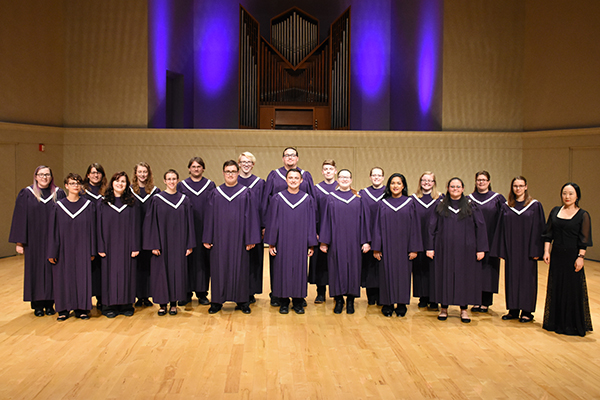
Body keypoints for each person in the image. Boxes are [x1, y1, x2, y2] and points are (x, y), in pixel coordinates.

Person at [202, 161, 261, 314]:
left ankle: (242, 301)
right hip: (219, 238)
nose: (230, 174)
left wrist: (251, 239)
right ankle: (217, 301)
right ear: (223, 173)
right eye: (227, 171)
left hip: (240, 239)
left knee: (241, 268)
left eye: (233, 171)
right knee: (218, 269)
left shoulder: (246, 192)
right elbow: (209, 217)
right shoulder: (215, 193)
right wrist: (207, 237)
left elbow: (252, 217)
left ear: (237, 173)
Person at [426, 177, 488, 323]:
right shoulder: (440, 205)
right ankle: (444, 308)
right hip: (443, 249)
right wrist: (430, 247)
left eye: (458, 186)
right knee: (444, 276)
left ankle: (464, 310)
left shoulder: (471, 206)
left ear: (463, 189)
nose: (455, 189)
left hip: (466, 250)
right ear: (447, 188)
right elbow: (431, 227)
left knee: (464, 278)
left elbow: (481, 227)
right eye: (452, 186)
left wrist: (481, 249)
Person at [9, 166, 65, 317]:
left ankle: (51, 303)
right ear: (35, 176)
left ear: (51, 177)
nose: (44, 177)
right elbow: (20, 218)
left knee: (53, 270)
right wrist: (19, 242)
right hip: (33, 241)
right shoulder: (26, 193)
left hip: (53, 239)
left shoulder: (58, 193)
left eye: (47, 174)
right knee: (35, 271)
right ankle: (38, 305)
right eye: (41, 175)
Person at [263, 147, 314, 306]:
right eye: (287, 155)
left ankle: (298, 297)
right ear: (283, 158)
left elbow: (312, 215)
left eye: (293, 155)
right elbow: (268, 208)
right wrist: (269, 234)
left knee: (299, 266)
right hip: (281, 233)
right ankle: (278, 295)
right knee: (279, 265)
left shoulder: (306, 182)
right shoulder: (274, 180)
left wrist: (311, 241)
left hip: (300, 232)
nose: (290, 157)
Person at [542, 183, 593, 336]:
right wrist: (546, 251)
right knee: (556, 286)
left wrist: (581, 257)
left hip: (572, 256)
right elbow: (548, 234)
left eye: (571, 193)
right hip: (557, 255)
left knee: (572, 289)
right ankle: (556, 322)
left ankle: (572, 324)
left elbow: (583, 239)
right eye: (565, 193)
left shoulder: (583, 214)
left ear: (577, 196)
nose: (567, 196)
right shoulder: (555, 211)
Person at [492, 176, 545, 323]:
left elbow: (540, 229)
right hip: (512, 248)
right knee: (512, 278)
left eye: (521, 186)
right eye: (515, 186)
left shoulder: (535, 205)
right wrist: (501, 250)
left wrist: (537, 251)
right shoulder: (507, 206)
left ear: (526, 187)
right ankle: (513, 309)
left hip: (528, 250)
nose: (518, 188)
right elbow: (501, 229)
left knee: (528, 279)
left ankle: (527, 311)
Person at [144, 169, 195, 316]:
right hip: (161, 244)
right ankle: (162, 304)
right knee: (161, 273)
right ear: (164, 181)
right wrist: (153, 244)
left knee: (176, 272)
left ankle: (174, 303)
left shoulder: (184, 200)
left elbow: (189, 223)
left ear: (177, 181)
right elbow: (151, 223)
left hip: (179, 243)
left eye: (174, 179)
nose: (171, 182)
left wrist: (189, 244)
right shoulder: (157, 199)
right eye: (169, 179)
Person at [319, 169, 370, 314]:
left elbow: (364, 222)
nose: (344, 179)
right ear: (338, 179)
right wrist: (324, 241)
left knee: (353, 270)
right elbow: (326, 221)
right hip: (336, 241)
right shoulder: (331, 198)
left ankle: (351, 301)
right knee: (336, 269)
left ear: (351, 180)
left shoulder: (359, 199)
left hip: (354, 241)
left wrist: (365, 241)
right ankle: (339, 300)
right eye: (341, 177)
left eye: (347, 177)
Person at [47, 173, 96, 321]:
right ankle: (63, 309)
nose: (76, 186)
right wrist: (52, 252)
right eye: (72, 183)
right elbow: (53, 231)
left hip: (83, 249)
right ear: (66, 186)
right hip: (63, 250)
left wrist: (92, 250)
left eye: (78, 183)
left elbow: (93, 230)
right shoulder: (58, 206)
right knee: (63, 278)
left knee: (82, 278)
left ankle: (82, 308)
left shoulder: (88, 205)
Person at [372, 173, 422, 317]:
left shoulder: (410, 203)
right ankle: (387, 303)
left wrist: (414, 248)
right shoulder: (383, 203)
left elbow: (415, 227)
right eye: (393, 183)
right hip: (387, 246)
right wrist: (377, 248)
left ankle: (401, 304)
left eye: (398, 183)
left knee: (403, 275)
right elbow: (377, 227)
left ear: (403, 186)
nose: (395, 186)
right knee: (386, 274)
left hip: (404, 247)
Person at [97, 172, 140, 318]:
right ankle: (109, 305)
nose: (120, 184)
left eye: (123, 181)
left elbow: (136, 226)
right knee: (108, 275)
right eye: (117, 181)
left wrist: (135, 246)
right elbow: (98, 227)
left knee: (127, 274)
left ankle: (126, 304)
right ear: (112, 183)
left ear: (127, 184)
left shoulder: (132, 203)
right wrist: (100, 246)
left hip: (127, 246)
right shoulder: (103, 203)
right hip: (108, 247)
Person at [177, 157, 215, 306]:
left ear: (203, 169)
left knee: (203, 262)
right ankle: (185, 293)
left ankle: (202, 293)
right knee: (187, 261)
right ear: (189, 169)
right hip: (186, 228)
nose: (196, 169)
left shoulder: (210, 185)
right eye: (193, 166)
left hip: (204, 229)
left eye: (199, 166)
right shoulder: (182, 185)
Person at [468, 171, 505, 313]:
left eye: (484, 180)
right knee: (474, 271)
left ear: (489, 182)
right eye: (478, 180)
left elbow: (503, 219)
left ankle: (486, 302)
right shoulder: (469, 199)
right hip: (473, 240)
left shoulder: (497, 199)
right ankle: (475, 300)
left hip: (491, 239)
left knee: (488, 271)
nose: (481, 182)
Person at [411, 171, 443, 310]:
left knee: (434, 269)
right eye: (424, 180)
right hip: (418, 237)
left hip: (436, 239)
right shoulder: (412, 199)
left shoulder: (440, 199)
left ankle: (434, 298)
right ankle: (422, 297)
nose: (427, 183)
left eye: (430, 180)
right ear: (420, 182)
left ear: (434, 183)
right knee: (419, 268)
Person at [130, 162, 160, 307]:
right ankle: (136, 295)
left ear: (149, 174)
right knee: (135, 265)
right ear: (135, 173)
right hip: (134, 232)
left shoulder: (155, 191)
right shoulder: (128, 191)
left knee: (148, 265)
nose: (142, 174)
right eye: (140, 171)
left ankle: (146, 295)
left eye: (145, 172)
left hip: (149, 233)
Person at [238, 152, 265, 304]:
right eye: (243, 162)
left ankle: (250, 291)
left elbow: (263, 206)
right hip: (237, 228)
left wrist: (263, 226)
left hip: (255, 227)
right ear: (239, 164)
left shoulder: (260, 183)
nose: (246, 164)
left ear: (253, 165)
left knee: (254, 260)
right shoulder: (234, 181)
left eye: (249, 162)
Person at [308, 159, 337, 303]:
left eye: (330, 169)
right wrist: (314, 231)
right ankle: (320, 293)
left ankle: (337, 292)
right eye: (325, 169)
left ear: (335, 171)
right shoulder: (316, 189)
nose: (328, 171)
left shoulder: (342, 187)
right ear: (322, 172)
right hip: (320, 232)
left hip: (338, 233)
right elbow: (312, 211)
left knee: (337, 262)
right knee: (320, 263)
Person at [82, 163, 107, 310]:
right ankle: (85, 299)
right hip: (87, 234)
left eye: (98, 173)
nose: (95, 175)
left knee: (102, 267)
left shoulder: (107, 192)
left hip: (104, 234)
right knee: (89, 268)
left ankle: (102, 298)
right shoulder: (82, 192)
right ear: (87, 175)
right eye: (92, 173)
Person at [360, 167, 386, 305]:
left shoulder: (389, 193)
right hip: (368, 235)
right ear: (370, 177)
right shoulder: (363, 193)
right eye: (373, 175)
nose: (376, 177)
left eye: (379, 175)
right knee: (370, 267)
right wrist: (365, 240)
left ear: (383, 177)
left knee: (383, 267)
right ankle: (371, 296)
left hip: (385, 236)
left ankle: (383, 296)